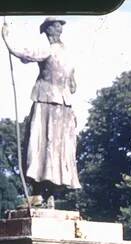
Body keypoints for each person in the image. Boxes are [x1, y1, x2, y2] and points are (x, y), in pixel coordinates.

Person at [2, 17, 81, 206]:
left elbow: (25, 54)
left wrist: (6, 38)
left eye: (55, 27)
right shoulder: (67, 54)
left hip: (49, 103)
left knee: (42, 145)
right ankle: (47, 194)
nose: (56, 30)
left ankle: (40, 192)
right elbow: (73, 86)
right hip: (62, 106)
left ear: (50, 31)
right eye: (56, 26)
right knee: (54, 148)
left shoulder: (50, 49)